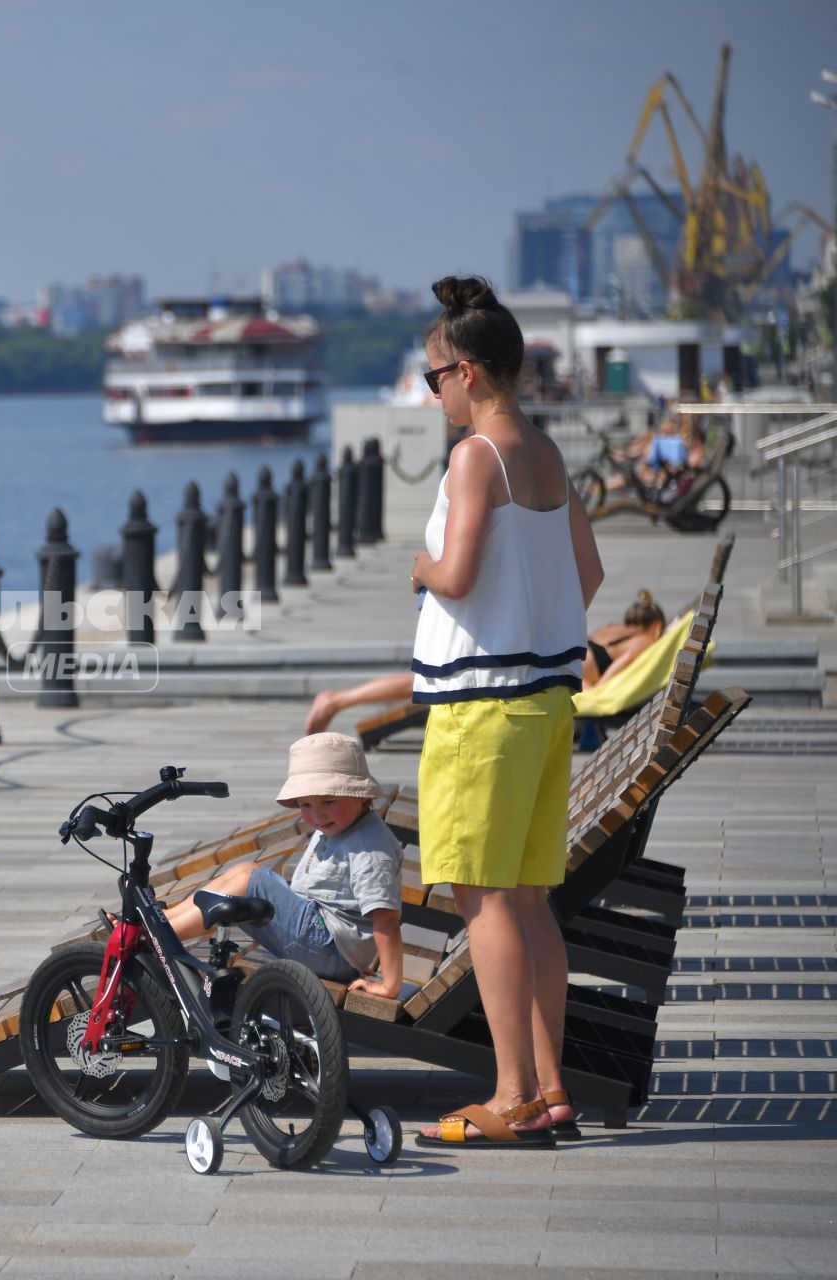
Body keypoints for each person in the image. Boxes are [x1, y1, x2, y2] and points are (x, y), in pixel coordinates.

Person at [409, 276, 604, 1149]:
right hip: (544, 704)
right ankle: (553, 1088)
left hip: (481, 710)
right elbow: (588, 575)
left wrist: (419, 566)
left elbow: (453, 576)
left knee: (482, 899)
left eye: (434, 376)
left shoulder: (475, 458)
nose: (433, 392)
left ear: (471, 372)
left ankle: (512, 1094)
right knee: (529, 901)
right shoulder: (548, 455)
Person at [163, 733, 404, 999]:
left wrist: (389, 985)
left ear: (359, 794)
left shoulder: (369, 848)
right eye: (305, 804)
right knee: (245, 872)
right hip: (326, 944)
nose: (317, 814)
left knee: (250, 884)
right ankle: (161, 923)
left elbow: (387, 918)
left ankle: (159, 937)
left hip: (329, 950)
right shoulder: (342, 827)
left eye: (328, 801)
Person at [301, 589, 666, 733]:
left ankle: (341, 699)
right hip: (538, 668)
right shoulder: (641, 643)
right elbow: (602, 685)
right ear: (657, 626)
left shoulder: (613, 628)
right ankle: (338, 699)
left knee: (427, 679)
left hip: (535, 650)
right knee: (427, 682)